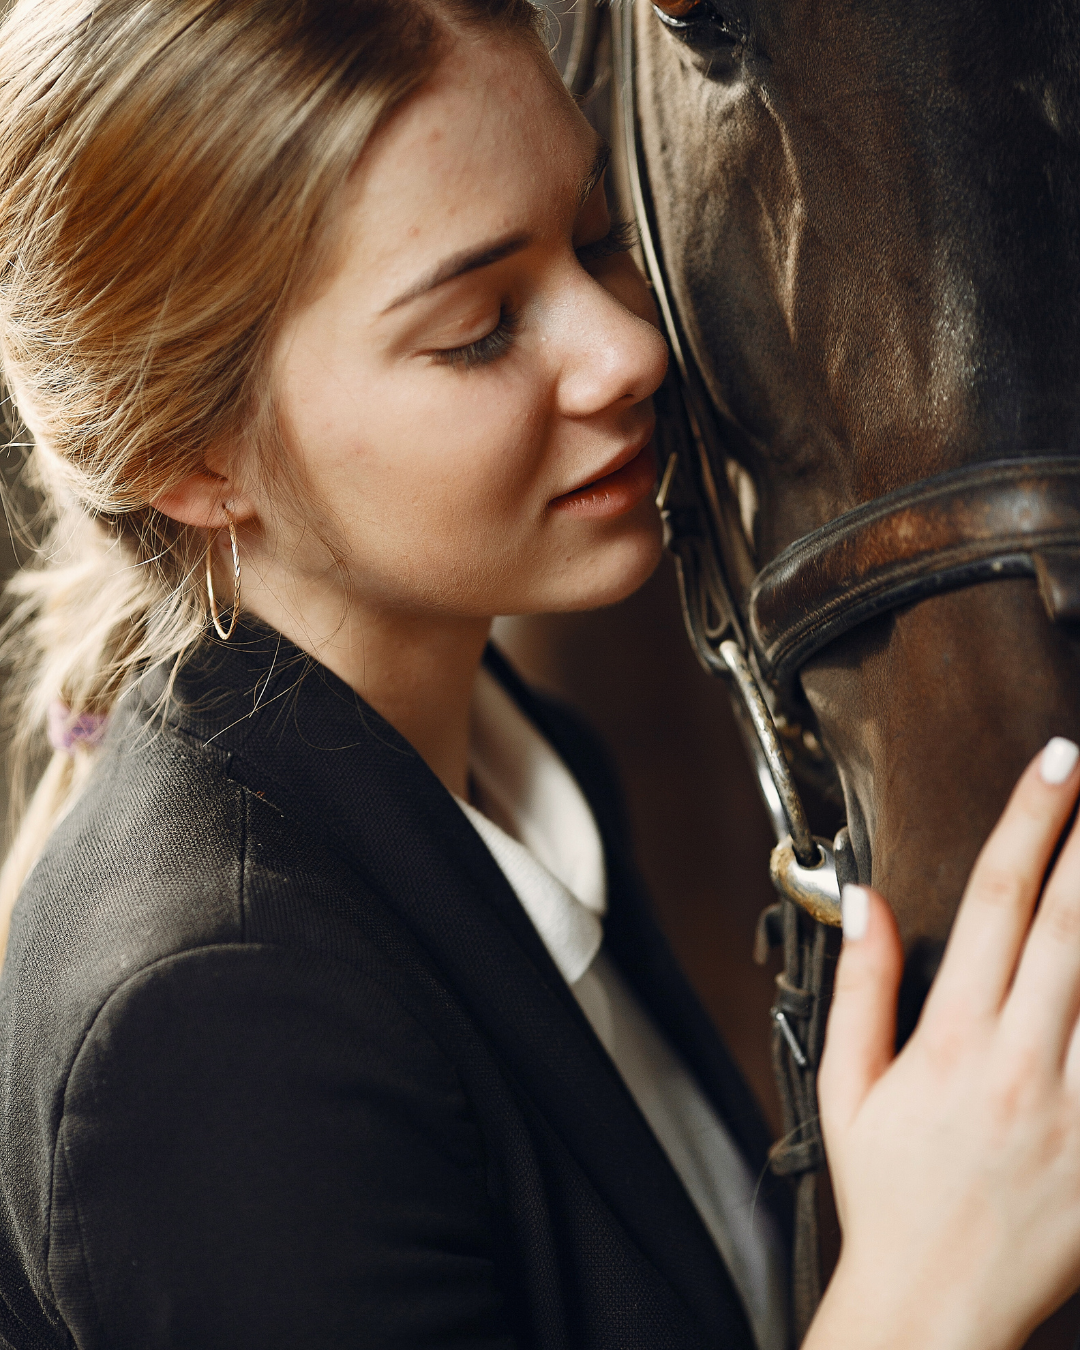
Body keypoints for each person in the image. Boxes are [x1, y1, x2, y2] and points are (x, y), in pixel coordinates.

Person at [0, 1, 1079, 1348]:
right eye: (481, 327)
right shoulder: (209, 1027)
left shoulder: (514, 762)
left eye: (594, 240)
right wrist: (931, 1293)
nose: (627, 353)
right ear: (198, 458)